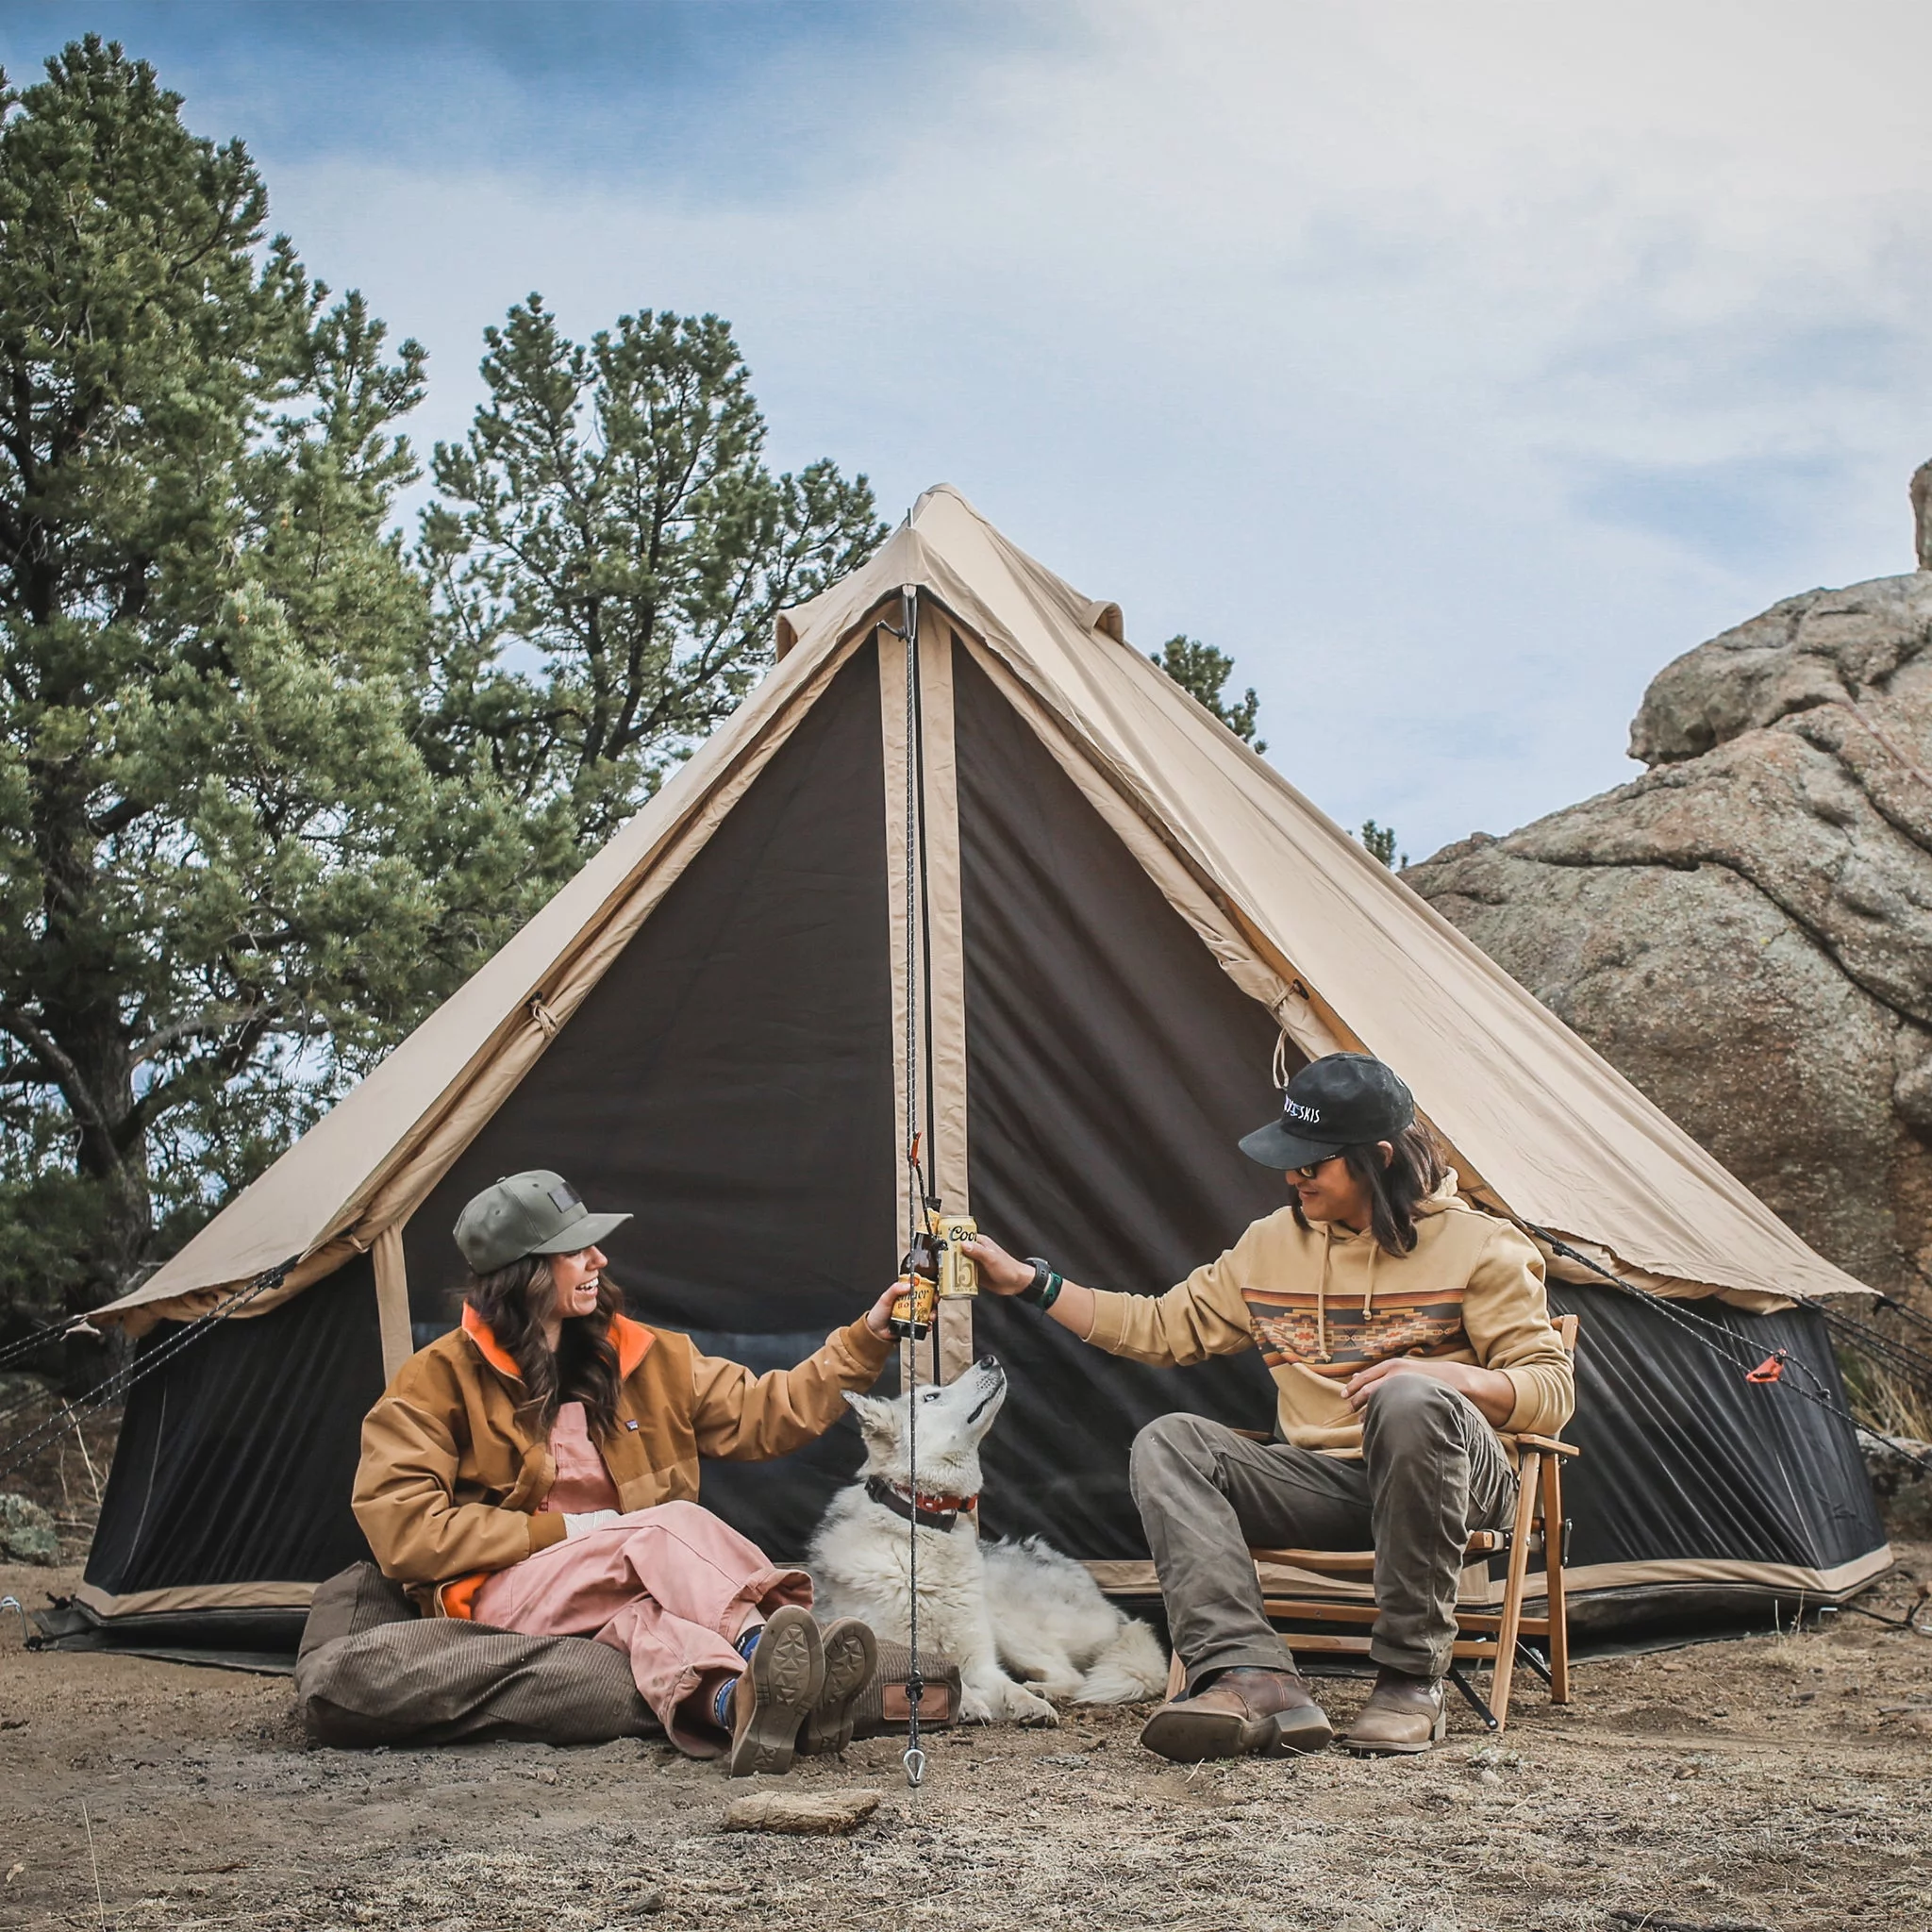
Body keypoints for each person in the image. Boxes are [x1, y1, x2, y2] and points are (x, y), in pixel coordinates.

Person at [961, 1053, 1574, 1760]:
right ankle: (1251, 1676)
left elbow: (1551, 1394)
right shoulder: (1269, 1246)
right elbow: (1160, 1327)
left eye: (1312, 1163)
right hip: (1326, 1482)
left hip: (1455, 1479)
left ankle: (1410, 1679)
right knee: (1171, 1440)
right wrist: (1031, 1284)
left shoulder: (1483, 1246)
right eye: (1290, 1160)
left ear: (1376, 1158)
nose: (1293, 1177)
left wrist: (1441, 1375)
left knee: (1409, 1398)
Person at [352, 1169, 899, 1775]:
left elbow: (770, 1411)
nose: (599, 1258)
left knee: (647, 1620)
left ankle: (739, 1703)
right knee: (661, 1527)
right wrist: (571, 1533)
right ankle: (760, 1639)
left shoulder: (649, 1356)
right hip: (500, 1590)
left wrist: (866, 1339)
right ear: (524, 1272)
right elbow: (404, 1532)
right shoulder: (432, 1383)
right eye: (575, 1250)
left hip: (630, 1575)